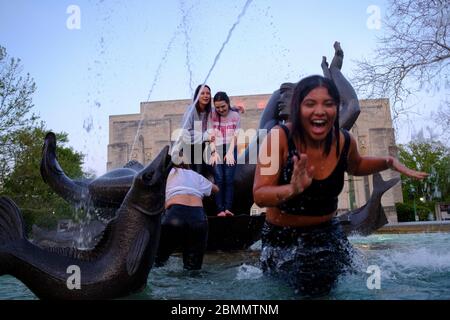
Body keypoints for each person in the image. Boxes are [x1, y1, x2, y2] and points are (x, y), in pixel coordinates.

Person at [253, 75, 428, 296]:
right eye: (310, 104)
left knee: (361, 280)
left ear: (336, 108)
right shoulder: (277, 138)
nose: (320, 111)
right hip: (284, 238)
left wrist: (388, 161)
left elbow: (357, 165)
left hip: (328, 233)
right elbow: (259, 194)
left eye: (328, 103)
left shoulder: (344, 140)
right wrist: (292, 189)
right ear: (297, 108)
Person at [155, 162, 219, 270]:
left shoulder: (166, 173)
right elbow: (216, 189)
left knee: (158, 261)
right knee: (193, 269)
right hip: (198, 219)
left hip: (174, 216)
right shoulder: (195, 175)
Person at [207, 91, 241, 217]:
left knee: (229, 179)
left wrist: (231, 152)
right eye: (217, 107)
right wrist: (214, 152)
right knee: (219, 178)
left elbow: (235, 136)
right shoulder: (212, 115)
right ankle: (219, 209)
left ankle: (228, 208)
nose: (220, 109)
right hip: (216, 147)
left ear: (228, 104)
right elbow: (211, 136)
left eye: (223, 106)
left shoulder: (235, 116)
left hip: (230, 147)